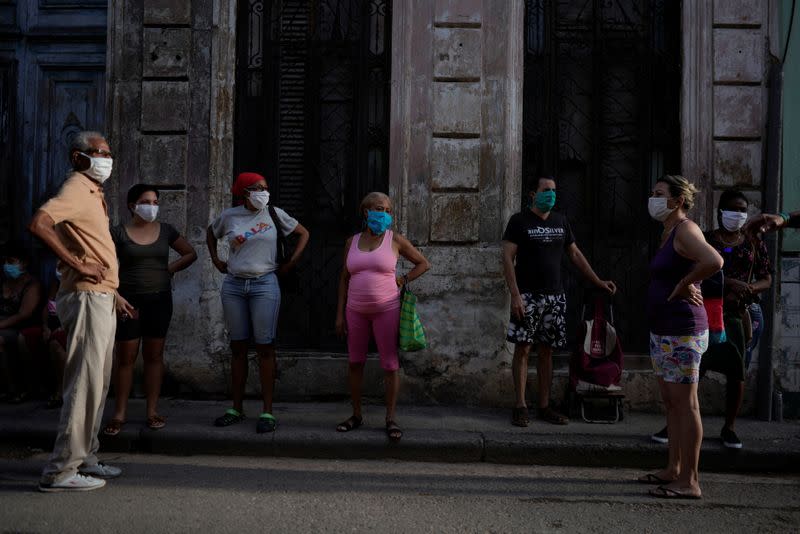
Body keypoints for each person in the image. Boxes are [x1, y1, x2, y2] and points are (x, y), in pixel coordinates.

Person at [29, 130, 133, 492]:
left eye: (108, 152)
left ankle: (85, 456)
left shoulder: (93, 192)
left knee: (97, 384)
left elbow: (94, 248)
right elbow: (39, 223)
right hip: (87, 297)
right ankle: (59, 471)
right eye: (97, 152)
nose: (105, 158)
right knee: (84, 385)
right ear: (78, 157)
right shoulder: (75, 187)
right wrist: (78, 264)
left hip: (101, 296)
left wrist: (114, 292)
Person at [650, 190, 772, 450]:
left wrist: (750, 288)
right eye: (731, 208)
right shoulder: (704, 238)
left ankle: (729, 427)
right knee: (695, 370)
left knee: (737, 371)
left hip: (738, 314)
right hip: (707, 309)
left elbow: (767, 277)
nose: (736, 215)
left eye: (741, 210)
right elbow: (698, 267)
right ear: (719, 211)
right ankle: (675, 423)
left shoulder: (753, 242)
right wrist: (729, 282)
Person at [502, 176, 616, 426]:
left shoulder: (560, 220)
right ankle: (520, 405)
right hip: (528, 296)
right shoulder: (519, 221)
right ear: (533, 194)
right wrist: (515, 295)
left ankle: (544, 406)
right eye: (546, 190)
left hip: (555, 296)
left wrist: (597, 281)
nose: (551, 195)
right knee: (523, 349)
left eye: (554, 190)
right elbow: (508, 258)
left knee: (547, 351)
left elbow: (574, 254)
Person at [638, 175, 722, 500]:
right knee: (672, 405)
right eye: (653, 192)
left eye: (659, 194)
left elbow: (714, 260)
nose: (653, 198)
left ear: (677, 201)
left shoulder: (686, 229)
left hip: (682, 331)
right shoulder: (668, 232)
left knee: (687, 405)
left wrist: (687, 282)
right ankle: (673, 468)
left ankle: (690, 480)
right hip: (664, 329)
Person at [207, 172, 309, 433]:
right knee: (238, 347)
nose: (263, 192)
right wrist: (217, 261)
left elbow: (303, 233)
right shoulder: (230, 216)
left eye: (265, 187)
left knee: (265, 347)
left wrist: (291, 262)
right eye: (256, 188)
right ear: (243, 193)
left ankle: (267, 411)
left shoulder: (275, 213)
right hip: (234, 285)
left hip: (265, 284)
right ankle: (236, 408)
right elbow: (211, 233)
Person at [334, 192, 430, 441]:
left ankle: (390, 418)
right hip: (355, 311)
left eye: (388, 210)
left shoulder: (395, 240)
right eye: (379, 209)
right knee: (355, 362)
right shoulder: (351, 242)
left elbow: (423, 263)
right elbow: (344, 278)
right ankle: (356, 415)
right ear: (366, 212)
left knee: (389, 363)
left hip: (386, 310)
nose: (384, 214)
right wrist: (339, 314)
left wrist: (403, 279)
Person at [103, 184, 197, 435]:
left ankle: (152, 411)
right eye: (147, 202)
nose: (152, 207)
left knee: (154, 357)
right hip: (128, 301)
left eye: (155, 202)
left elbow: (190, 253)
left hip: (159, 300)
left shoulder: (166, 231)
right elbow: (105, 265)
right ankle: (119, 414)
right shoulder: (117, 233)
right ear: (133, 205)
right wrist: (116, 295)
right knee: (126, 357)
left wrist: (170, 269)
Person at [0, 244, 43, 403]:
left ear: (23, 263)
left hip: (19, 327)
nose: (6, 265)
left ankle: (15, 389)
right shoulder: (3, 282)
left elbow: (24, 314)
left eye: (11, 261)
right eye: (4, 261)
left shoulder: (32, 285)